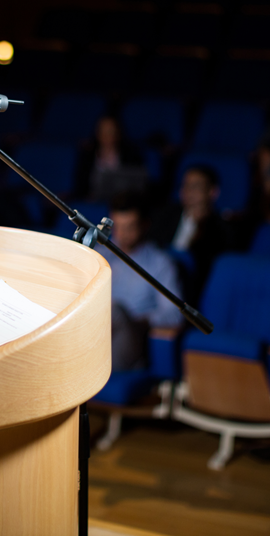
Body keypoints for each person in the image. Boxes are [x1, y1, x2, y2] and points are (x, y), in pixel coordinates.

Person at [101, 195, 182, 370]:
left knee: (115, 311)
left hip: (133, 334)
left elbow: (174, 314)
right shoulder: (101, 254)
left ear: (144, 225)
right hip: (96, 330)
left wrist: (143, 322)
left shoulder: (159, 263)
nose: (122, 234)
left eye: (130, 227)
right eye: (118, 227)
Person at [149, 165, 231, 303]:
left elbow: (209, 270)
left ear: (212, 192)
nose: (188, 191)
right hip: (156, 279)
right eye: (185, 185)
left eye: (196, 186)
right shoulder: (165, 215)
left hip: (191, 292)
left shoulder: (222, 230)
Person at [74, 115, 148, 202]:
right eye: (103, 131)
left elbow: (138, 183)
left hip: (122, 202)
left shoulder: (131, 155)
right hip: (95, 203)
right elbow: (80, 187)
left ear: (118, 133)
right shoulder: (87, 156)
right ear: (97, 133)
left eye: (111, 131)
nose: (107, 136)